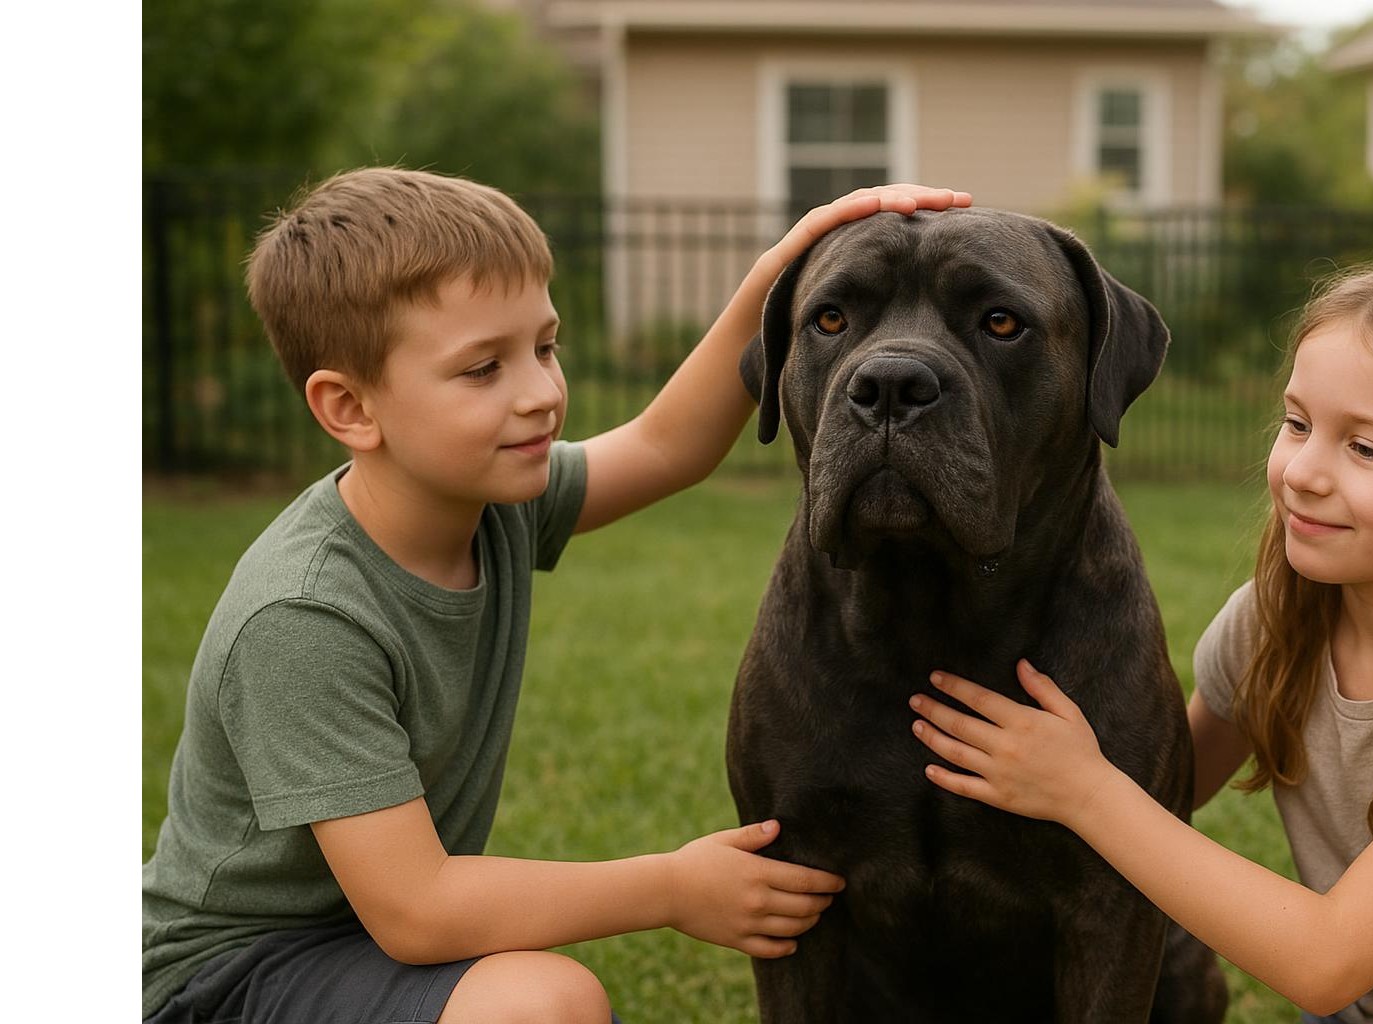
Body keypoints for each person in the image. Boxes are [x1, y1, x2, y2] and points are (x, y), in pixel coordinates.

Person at [142, 167, 970, 1024]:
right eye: (481, 370)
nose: (539, 393)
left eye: (544, 347)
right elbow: (417, 909)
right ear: (350, 407)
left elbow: (663, 445)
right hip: (218, 978)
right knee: (540, 1005)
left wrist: (779, 276)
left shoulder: (490, 504)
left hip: (348, 949)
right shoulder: (306, 617)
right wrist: (673, 886)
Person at [907, 248, 1373, 1023]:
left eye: (1366, 447)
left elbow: (1326, 960)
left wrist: (1087, 789)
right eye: (1298, 424)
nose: (1302, 472)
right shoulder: (1275, 621)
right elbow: (1167, 794)